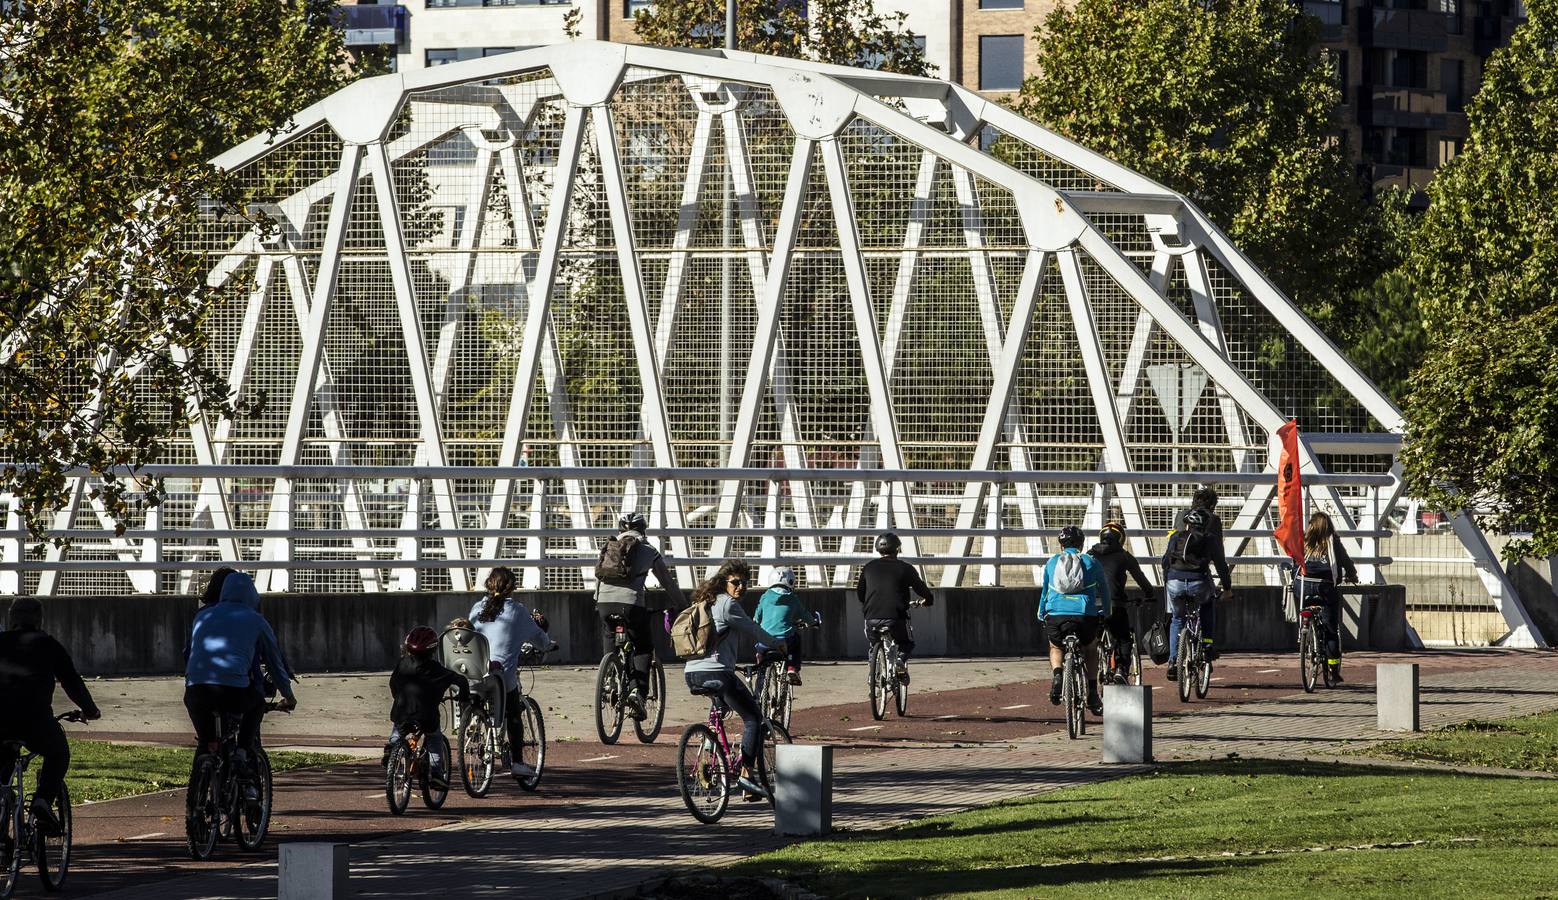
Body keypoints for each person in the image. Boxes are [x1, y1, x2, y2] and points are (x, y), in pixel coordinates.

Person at [183, 571, 296, 800]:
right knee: (255, 704)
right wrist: (289, 696)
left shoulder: (202, 616)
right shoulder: (255, 619)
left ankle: (198, 797)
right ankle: (242, 752)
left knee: (207, 743)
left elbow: (189, 651)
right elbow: (275, 662)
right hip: (233, 689)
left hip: (195, 690)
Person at [683, 559, 784, 800]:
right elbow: (753, 629)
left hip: (692, 673)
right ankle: (747, 776)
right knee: (753, 718)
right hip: (718, 672)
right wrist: (778, 644)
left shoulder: (703, 601)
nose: (741, 587)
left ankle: (712, 747)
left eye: (745, 583)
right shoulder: (727, 604)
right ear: (724, 582)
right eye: (735, 582)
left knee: (723, 703)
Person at [0, 598, 102, 835]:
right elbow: (71, 682)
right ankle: (42, 801)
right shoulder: (48, 645)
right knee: (58, 753)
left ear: (11, 618)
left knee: (3, 767)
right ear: (39, 619)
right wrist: (90, 711)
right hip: (34, 721)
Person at [594, 511, 686, 720]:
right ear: (643, 529)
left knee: (610, 634)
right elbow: (667, 582)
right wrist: (682, 605)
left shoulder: (608, 547)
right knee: (643, 647)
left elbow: (599, 577)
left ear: (619, 529)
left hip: (604, 604)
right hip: (631, 605)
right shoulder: (647, 549)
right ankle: (638, 694)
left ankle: (608, 679)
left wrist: (600, 605)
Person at [471, 567, 551, 778]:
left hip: (476, 671)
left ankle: (475, 724)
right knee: (514, 712)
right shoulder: (517, 610)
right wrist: (549, 644)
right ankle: (517, 762)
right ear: (512, 588)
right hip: (501, 676)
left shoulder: (477, 608)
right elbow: (539, 638)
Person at [1039, 525, 1111, 716]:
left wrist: (1041, 613)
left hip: (1056, 615)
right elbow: (1104, 590)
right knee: (1090, 649)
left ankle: (1057, 676)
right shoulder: (1091, 562)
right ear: (1081, 543)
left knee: (1055, 647)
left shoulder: (1052, 562)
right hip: (1085, 615)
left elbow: (1045, 592)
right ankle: (1093, 692)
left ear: (1061, 544)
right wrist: (1107, 611)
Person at [387, 626, 470, 788]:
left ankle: (391, 747)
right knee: (434, 738)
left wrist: (398, 698)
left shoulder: (402, 664)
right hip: (426, 716)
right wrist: (463, 698)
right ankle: (437, 773)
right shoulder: (437, 669)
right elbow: (460, 680)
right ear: (433, 649)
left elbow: (393, 684)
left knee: (399, 727)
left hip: (401, 711)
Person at [1162, 493, 1233, 680]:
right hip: (1199, 576)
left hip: (1174, 579)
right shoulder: (1213, 522)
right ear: (1213, 505)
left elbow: (1165, 560)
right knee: (1207, 604)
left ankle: (1173, 660)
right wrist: (1227, 588)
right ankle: (1208, 645)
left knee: (1177, 619)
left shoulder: (1180, 518)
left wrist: (1166, 582)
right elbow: (1219, 558)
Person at [857, 532, 933, 684]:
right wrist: (928, 600)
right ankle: (899, 660)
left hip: (871, 618)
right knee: (907, 643)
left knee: (874, 644)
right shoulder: (905, 568)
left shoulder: (868, 567)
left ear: (878, 549)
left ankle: (874, 671)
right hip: (896, 617)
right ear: (897, 549)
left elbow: (860, 594)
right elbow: (921, 589)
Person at [1088, 521, 1157, 682]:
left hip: (1090, 605)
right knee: (1124, 638)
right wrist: (1150, 594)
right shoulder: (1124, 556)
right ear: (1121, 539)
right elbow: (1141, 579)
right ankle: (1121, 669)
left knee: (1089, 639)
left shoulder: (1089, 554)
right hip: (1114, 604)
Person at [1297, 512, 1357, 682]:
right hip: (1325, 587)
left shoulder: (1304, 540)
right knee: (1331, 628)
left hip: (1303, 586)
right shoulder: (1333, 542)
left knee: (1302, 606)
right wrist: (1352, 575)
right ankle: (1332, 670)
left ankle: (1304, 629)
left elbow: (1295, 560)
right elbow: (1346, 562)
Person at [755, 567, 813, 686]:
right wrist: (813, 622)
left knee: (760, 651)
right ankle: (792, 668)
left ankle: (760, 670)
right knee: (796, 640)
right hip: (784, 641)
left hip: (765, 641)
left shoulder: (765, 597)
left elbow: (756, 618)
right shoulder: (792, 598)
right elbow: (805, 615)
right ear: (791, 581)